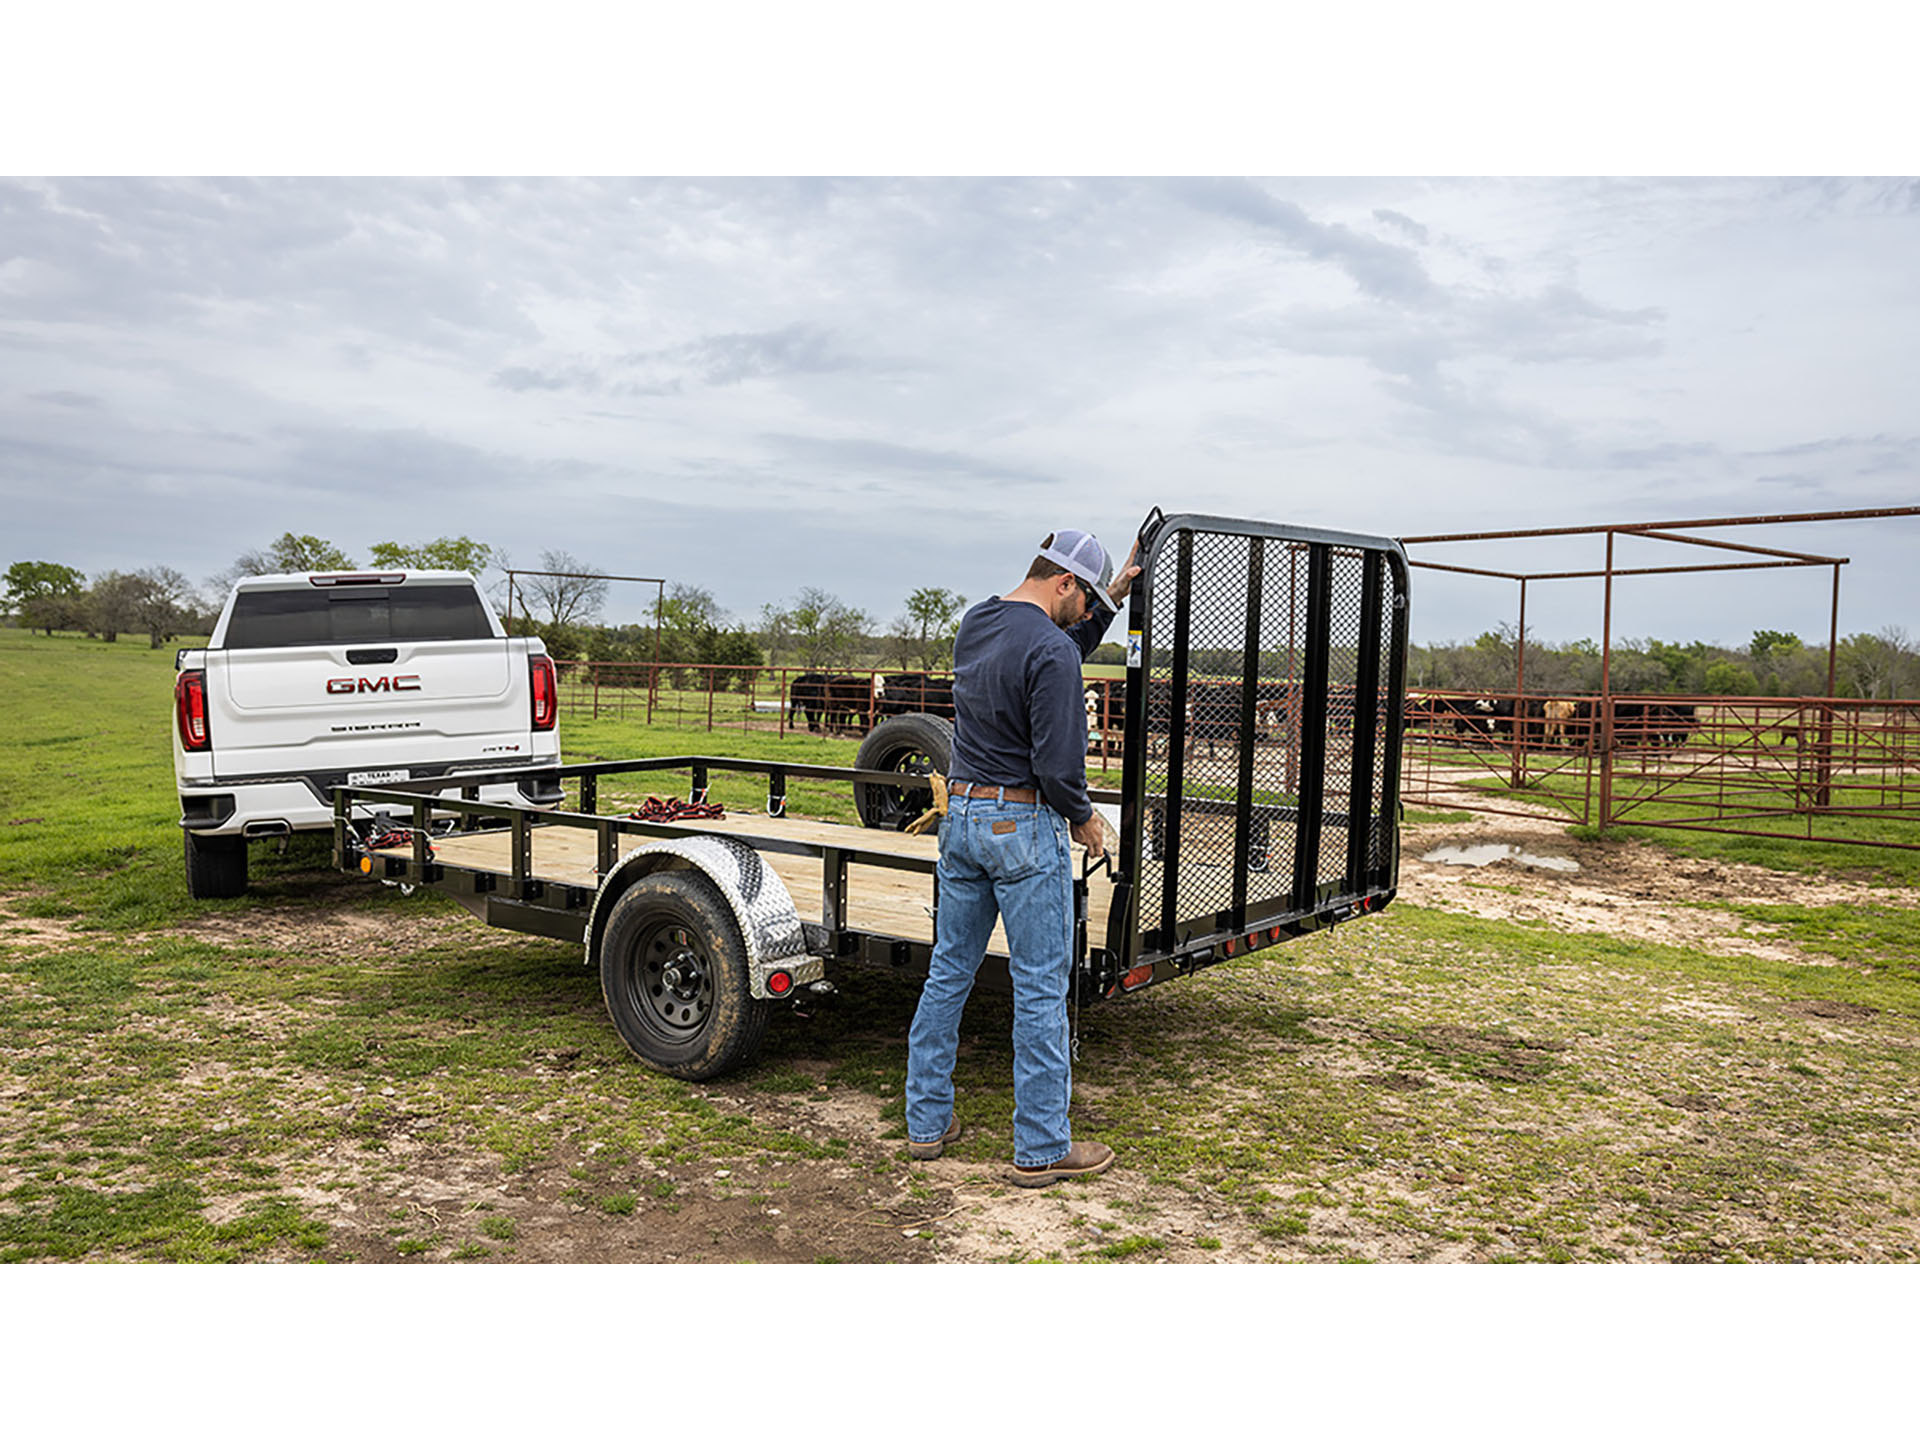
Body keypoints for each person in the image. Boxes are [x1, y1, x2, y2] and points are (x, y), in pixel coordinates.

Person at [904, 526, 1140, 1187]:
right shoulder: (1053, 654)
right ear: (1065, 583)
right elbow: (1059, 765)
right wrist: (1085, 818)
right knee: (1039, 986)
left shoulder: (978, 623)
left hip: (964, 816)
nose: (1085, 608)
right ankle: (1040, 1146)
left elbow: (1053, 648)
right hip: (1023, 824)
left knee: (949, 972)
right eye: (1085, 595)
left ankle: (927, 1124)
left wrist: (1113, 598)